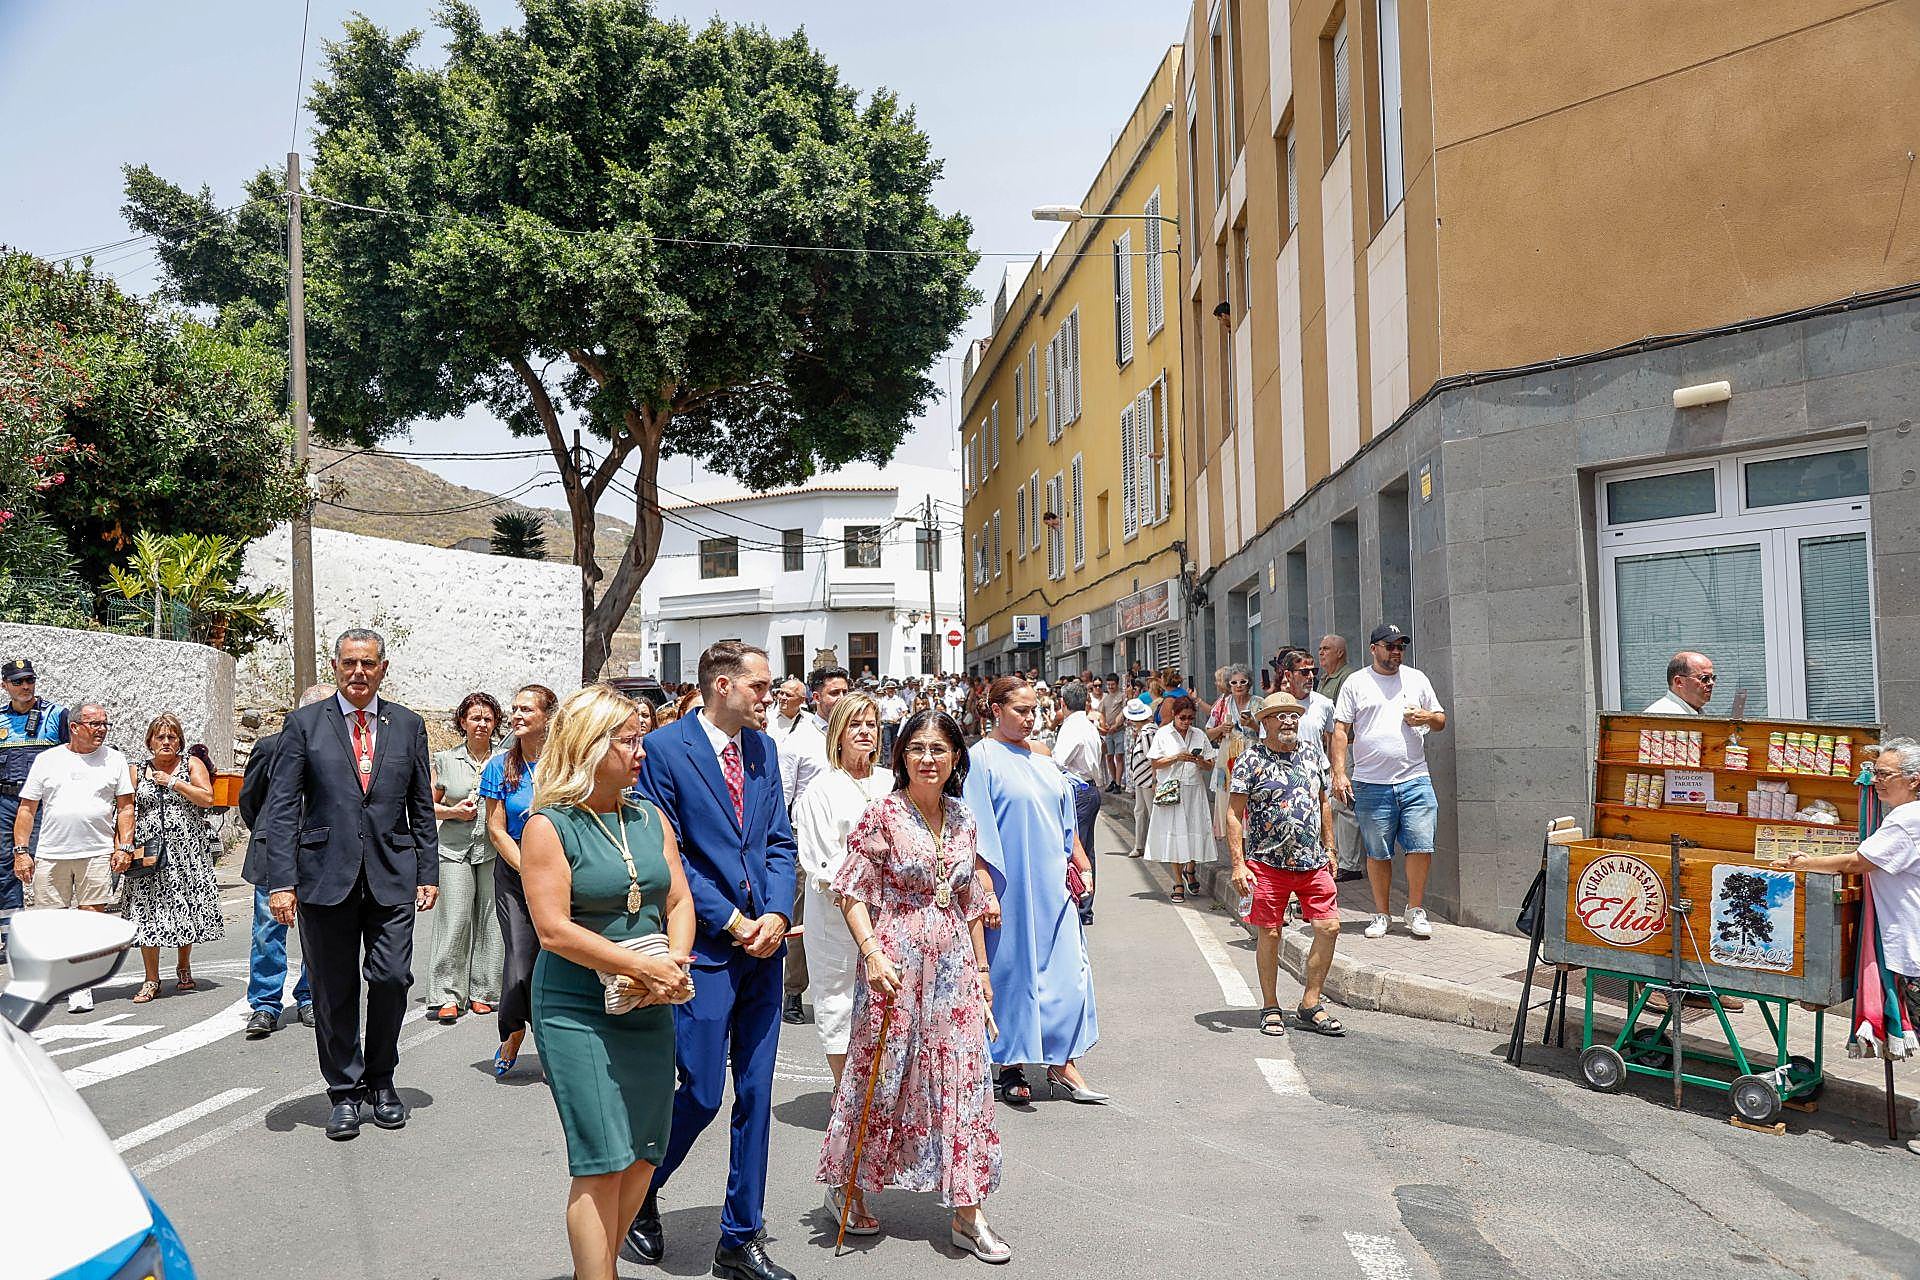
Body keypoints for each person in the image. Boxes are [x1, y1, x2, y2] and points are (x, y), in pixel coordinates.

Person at [621, 642, 797, 1280]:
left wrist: (777, 912)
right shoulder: (665, 751)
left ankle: (739, 1238)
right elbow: (669, 854)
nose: (768, 697)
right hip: (704, 951)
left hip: (764, 949)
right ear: (722, 685)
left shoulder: (764, 751)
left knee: (755, 1093)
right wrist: (730, 919)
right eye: (760, 686)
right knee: (699, 1091)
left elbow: (779, 838)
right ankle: (641, 1188)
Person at [816, 709, 1008, 1262]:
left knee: (964, 1078)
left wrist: (982, 971)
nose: (928, 759)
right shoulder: (882, 813)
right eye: (917, 749)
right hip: (894, 961)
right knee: (883, 1075)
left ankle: (969, 1213)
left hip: (951, 964)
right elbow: (851, 890)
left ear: (955, 759)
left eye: (939, 750)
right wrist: (872, 953)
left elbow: (971, 900)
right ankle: (846, 1185)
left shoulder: (963, 816)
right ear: (901, 756)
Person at [521, 684, 695, 1280]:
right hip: (576, 1007)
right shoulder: (549, 826)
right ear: (590, 746)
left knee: (644, 1154)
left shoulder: (649, 816)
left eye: (640, 737)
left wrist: (673, 961)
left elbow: (677, 897)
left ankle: (597, 1271)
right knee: (601, 1158)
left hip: (648, 1000)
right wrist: (640, 966)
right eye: (628, 740)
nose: (641, 751)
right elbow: (553, 931)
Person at [262, 629, 439, 1141]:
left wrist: (427, 870)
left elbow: (420, 805)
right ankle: (344, 1091)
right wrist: (282, 882)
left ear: (383, 668)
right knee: (333, 990)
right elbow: (281, 808)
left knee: (390, 979)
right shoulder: (303, 725)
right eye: (348, 663)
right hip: (323, 878)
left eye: (368, 664)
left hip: (391, 874)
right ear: (335, 666)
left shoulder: (407, 724)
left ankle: (382, 1080)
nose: (358, 672)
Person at [963, 676, 1101, 1107]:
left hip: (1051, 879)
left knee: (1067, 969)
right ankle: (1011, 1064)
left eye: (1035, 710)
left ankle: (1063, 1060)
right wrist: (984, 886)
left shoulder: (1042, 756)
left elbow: (1063, 812)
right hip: (1009, 882)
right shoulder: (980, 759)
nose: (1030, 718)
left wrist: (1079, 857)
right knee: (1014, 972)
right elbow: (976, 828)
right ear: (995, 710)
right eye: (1021, 710)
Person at [1784, 737, 1920, 1153]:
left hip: (1911, 945)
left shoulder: (1906, 820)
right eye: (1875, 773)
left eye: (1884, 775)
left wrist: (1806, 863)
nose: (1876, 781)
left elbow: (1859, 861)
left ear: (1914, 781)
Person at [1226, 693, 1345, 1039]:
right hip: (1266, 862)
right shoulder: (1250, 759)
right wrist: (1238, 864)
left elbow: (1323, 802)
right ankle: (1270, 1005)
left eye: (1293, 715)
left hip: (1313, 861)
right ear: (1265, 722)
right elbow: (1234, 814)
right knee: (1271, 932)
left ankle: (1310, 1003)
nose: (1289, 721)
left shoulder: (1311, 753)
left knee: (1329, 927)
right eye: (1280, 716)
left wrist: (1331, 848)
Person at [790, 691, 891, 1087]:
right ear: (838, 733)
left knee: (888, 999)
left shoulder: (891, 781)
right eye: (855, 724)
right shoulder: (822, 790)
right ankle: (844, 1087)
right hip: (837, 916)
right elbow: (824, 863)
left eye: (871, 724)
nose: (864, 732)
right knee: (839, 999)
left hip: (893, 915)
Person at [11, 701, 133, 1013]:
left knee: (91, 922)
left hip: (97, 853)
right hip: (52, 854)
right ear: (74, 727)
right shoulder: (47, 760)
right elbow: (27, 809)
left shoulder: (114, 760)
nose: (101, 730)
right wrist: (22, 852)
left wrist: (124, 846)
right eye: (94, 724)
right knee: (52, 924)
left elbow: (125, 807)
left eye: (105, 723)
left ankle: (81, 986)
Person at [1330, 623, 1446, 941]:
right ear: (1373, 649)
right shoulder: (1356, 683)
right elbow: (1341, 730)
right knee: (1377, 853)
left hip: (1414, 777)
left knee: (1421, 846)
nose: (1396, 652)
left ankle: (1415, 910)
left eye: (1400, 646)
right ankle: (1382, 914)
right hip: (1370, 782)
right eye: (1389, 646)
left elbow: (1440, 720)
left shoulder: (1416, 678)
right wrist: (1339, 772)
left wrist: (1425, 717)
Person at [238, 684, 333, 1038]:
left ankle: (309, 996)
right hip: (273, 853)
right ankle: (264, 1004)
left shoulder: (340, 752)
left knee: (319, 931)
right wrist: (270, 834)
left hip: (320, 853)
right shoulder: (269, 747)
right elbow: (251, 801)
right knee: (268, 931)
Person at [123, 714, 225, 1003]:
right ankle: (151, 978)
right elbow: (127, 809)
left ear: (179, 740)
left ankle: (183, 965)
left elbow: (207, 798)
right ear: (150, 741)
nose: (166, 742)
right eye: (160, 737)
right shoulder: (136, 770)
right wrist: (124, 845)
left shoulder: (191, 764)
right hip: (149, 852)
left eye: (172, 737)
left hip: (187, 851)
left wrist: (172, 783)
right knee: (147, 911)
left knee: (184, 906)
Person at [483, 684, 557, 1075]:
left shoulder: (566, 763)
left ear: (548, 717)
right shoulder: (500, 765)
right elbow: (495, 828)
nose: (516, 715)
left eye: (526, 709)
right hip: (514, 873)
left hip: (560, 873)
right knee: (520, 962)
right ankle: (513, 1031)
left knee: (555, 960)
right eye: (514, 709)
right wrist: (527, 868)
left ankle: (549, 1046)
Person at [427, 692, 505, 1023]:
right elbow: (425, 806)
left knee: (491, 919)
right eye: (475, 718)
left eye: (488, 719)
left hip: (493, 849)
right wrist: (453, 812)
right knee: (455, 917)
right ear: (463, 721)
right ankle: (446, 993)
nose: (481, 724)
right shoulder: (445, 760)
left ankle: (484, 990)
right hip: (454, 849)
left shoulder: (505, 759)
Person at [1278, 645, 1359, 884]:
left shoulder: (1323, 703)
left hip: (1317, 776)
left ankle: (1315, 884)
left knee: (1318, 830)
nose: (1310, 676)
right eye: (1303, 672)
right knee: (1291, 831)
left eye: (1312, 671)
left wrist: (1337, 771)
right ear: (1288, 675)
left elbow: (1335, 736)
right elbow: (1266, 741)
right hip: (1287, 777)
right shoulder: (1277, 705)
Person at [0, 657, 68, 930]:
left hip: (44, 805)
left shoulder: (56, 715)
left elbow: (73, 757)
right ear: (5, 685)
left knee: (48, 867)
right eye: (18, 682)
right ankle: (11, 937)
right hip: (6, 803)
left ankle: (51, 932)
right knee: (5, 869)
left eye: (30, 680)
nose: (25, 686)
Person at [1146, 696, 1216, 901]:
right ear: (1174, 716)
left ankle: (1190, 869)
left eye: (1190, 718)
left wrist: (1198, 760)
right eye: (1182, 718)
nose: (1186, 722)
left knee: (1195, 831)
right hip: (1172, 790)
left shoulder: (1199, 735)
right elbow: (1156, 763)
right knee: (1174, 834)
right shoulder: (1163, 734)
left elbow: (1210, 764)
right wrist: (1177, 757)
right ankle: (1177, 881)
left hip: (1194, 790)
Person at [1052, 681, 1104, 927]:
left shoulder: (1073, 727)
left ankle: (1081, 905)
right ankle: (1084, 904)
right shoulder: (1088, 725)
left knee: (1077, 849)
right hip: (1089, 789)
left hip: (1078, 789)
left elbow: (1059, 761)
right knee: (1086, 850)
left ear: (1063, 703)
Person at [1204, 664, 1256, 840]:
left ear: (1249, 683)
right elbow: (1208, 732)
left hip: (1252, 759)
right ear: (1229, 684)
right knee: (1228, 803)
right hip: (1227, 761)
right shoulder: (1222, 704)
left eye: (1243, 681)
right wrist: (1220, 728)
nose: (1238, 685)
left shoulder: (1258, 703)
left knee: (1252, 802)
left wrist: (1252, 725)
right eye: (1234, 682)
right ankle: (1236, 858)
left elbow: (1267, 733)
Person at [1122, 700, 1157, 858]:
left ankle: (1151, 847)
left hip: (1148, 778)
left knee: (1150, 812)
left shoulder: (1147, 732)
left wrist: (1154, 779)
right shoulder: (1145, 731)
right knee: (1140, 811)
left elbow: (1152, 757)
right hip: (1142, 778)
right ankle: (1140, 845)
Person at [1645, 651, 1715, 715]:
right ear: (1679, 682)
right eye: (1704, 678)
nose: (1711, 683)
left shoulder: (1696, 711)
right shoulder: (1660, 717)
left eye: (1713, 678)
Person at [1099, 675, 1126, 792]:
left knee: (1119, 756)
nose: (1110, 687)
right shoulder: (1105, 698)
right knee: (1109, 756)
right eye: (1108, 684)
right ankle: (1113, 781)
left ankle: (1119, 784)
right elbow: (1101, 714)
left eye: (1112, 684)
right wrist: (1103, 725)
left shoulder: (1122, 696)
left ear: (1117, 684)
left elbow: (1124, 712)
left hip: (1119, 730)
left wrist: (1116, 725)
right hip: (1108, 732)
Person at [877, 680, 908, 758]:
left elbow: (905, 711)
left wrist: (898, 717)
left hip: (896, 724)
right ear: (886, 690)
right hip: (886, 724)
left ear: (895, 689)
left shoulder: (899, 700)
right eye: (889, 688)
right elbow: (879, 713)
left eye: (892, 688)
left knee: (895, 743)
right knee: (886, 743)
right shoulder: (882, 701)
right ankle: (887, 762)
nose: (890, 690)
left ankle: (894, 760)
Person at [1317, 635, 1353, 704]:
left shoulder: (1348, 677)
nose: (1321, 653)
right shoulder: (1324, 677)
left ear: (1340, 653)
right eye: (1320, 649)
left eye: (1326, 649)